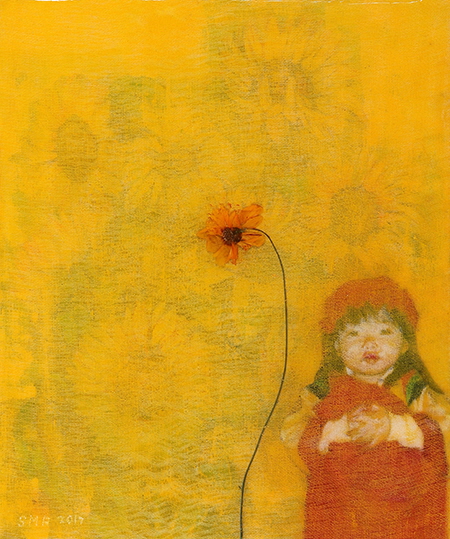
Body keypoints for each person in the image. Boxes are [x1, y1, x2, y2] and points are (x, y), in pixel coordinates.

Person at [282, 277, 449, 539]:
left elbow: (444, 428)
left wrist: (395, 426)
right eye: (353, 333)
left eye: (384, 331)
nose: (369, 343)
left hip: (404, 514)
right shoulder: (323, 391)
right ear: (336, 346)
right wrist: (337, 429)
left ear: (404, 344)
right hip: (341, 511)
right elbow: (291, 433)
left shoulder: (412, 388)